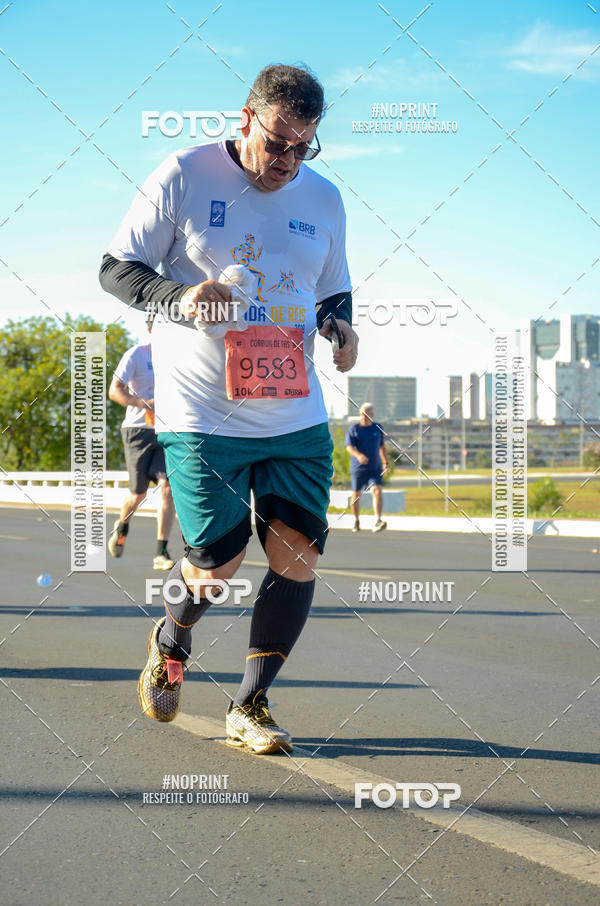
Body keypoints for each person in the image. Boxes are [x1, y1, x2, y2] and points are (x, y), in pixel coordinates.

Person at [99, 63, 359, 754]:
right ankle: (172, 638)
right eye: (277, 143)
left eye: (304, 147)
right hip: (201, 412)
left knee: (298, 553)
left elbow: (331, 289)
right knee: (216, 567)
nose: (289, 160)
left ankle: (251, 705)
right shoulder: (184, 173)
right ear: (246, 120)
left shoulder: (325, 198)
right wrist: (181, 297)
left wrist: (340, 327)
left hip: (295, 412)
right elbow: (116, 268)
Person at [108, 323, 176, 570]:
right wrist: (144, 403)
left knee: (167, 486)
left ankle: (161, 552)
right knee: (139, 494)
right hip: (137, 430)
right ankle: (122, 525)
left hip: (166, 430)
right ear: (150, 329)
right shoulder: (136, 354)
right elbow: (114, 391)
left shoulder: (176, 354)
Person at [345, 402, 388, 533]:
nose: (363, 417)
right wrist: (359, 456)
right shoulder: (354, 429)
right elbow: (349, 447)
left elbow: (382, 447)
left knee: (377, 490)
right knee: (356, 495)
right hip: (358, 469)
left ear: (372, 415)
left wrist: (385, 462)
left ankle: (378, 520)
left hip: (375, 468)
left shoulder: (378, 428)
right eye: (361, 414)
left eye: (366, 414)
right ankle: (356, 520)